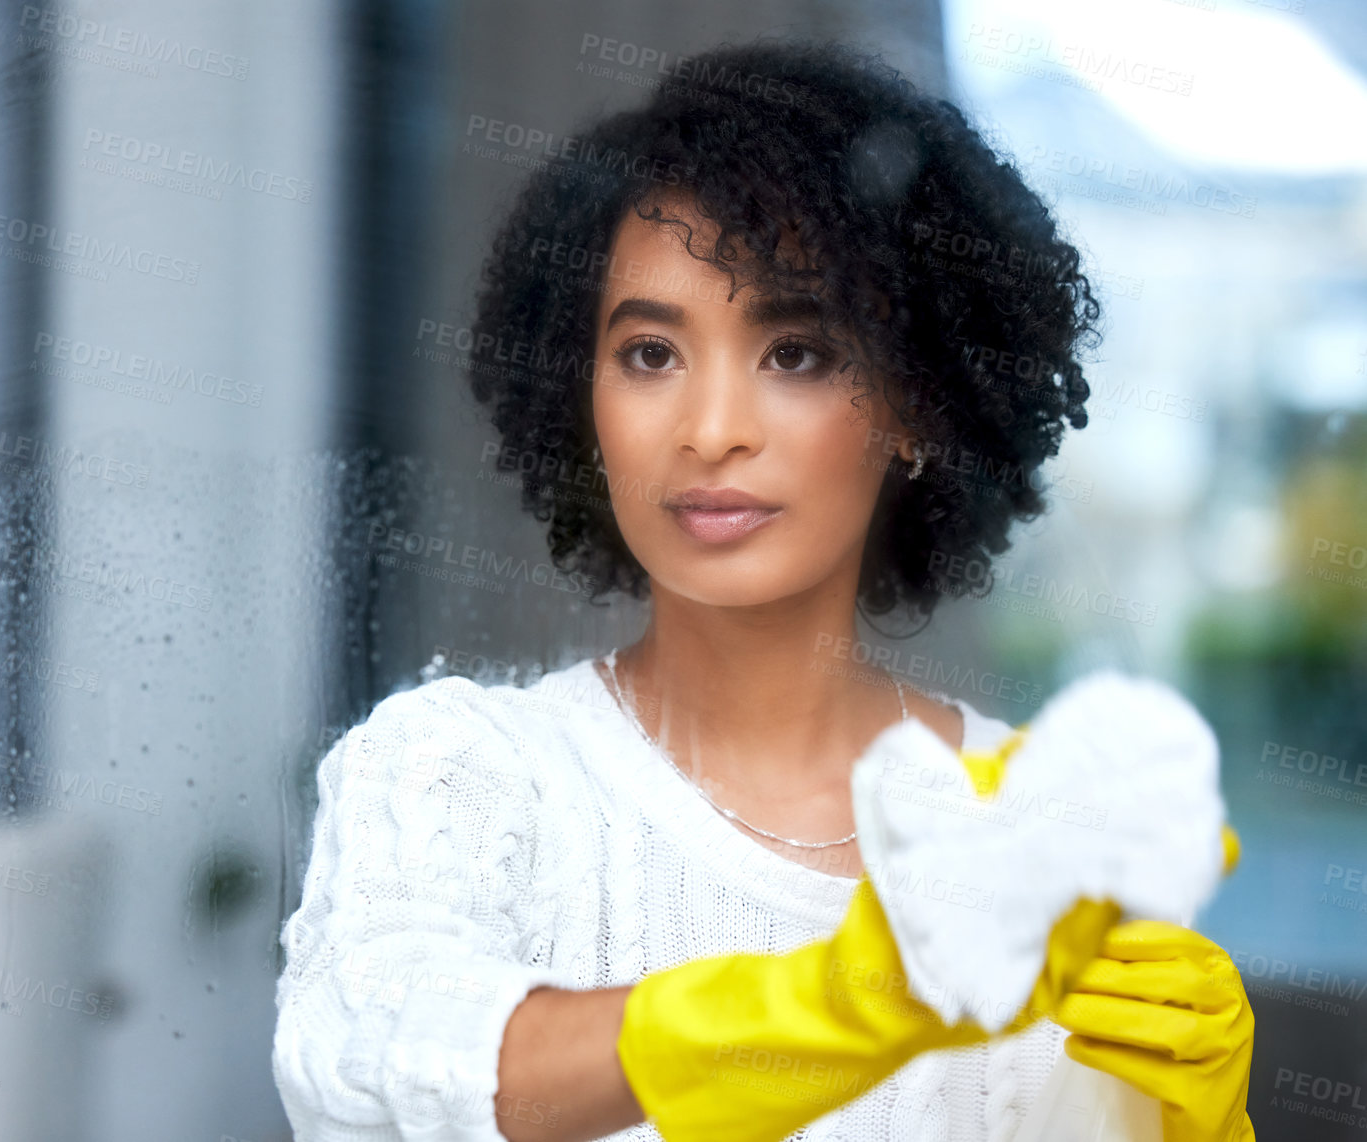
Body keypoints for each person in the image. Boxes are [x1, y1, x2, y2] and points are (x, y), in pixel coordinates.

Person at [272, 39, 1253, 1142]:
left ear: (917, 403)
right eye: (650, 353)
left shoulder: (1038, 843)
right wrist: (834, 1003)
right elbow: (365, 1065)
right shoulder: (465, 775)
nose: (711, 428)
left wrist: (1191, 1121)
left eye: (795, 352)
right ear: (579, 398)